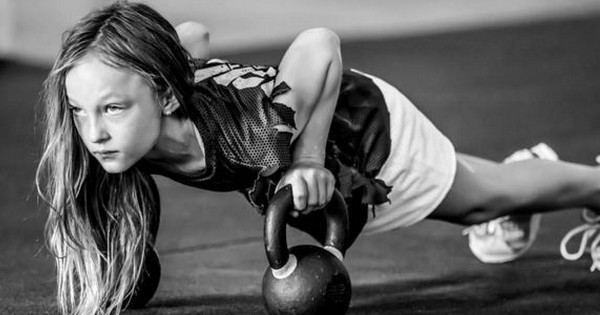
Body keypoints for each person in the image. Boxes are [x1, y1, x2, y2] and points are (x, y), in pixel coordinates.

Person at [35, 2, 600, 314]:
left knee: (482, 200)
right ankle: (527, 171)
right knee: (489, 187)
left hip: (364, 135)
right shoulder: (141, 115)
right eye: (80, 110)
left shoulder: (252, 126)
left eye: (111, 109)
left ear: (162, 95)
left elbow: (319, 43)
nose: (94, 133)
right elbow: (193, 33)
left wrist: (307, 160)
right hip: (305, 135)